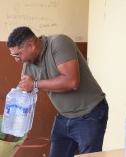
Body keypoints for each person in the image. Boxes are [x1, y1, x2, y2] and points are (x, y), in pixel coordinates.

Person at [6, 26, 109, 157]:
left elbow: (72, 82)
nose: (16, 59)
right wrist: (13, 134)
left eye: (18, 54)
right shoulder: (28, 65)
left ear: (31, 45)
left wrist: (36, 84)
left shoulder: (59, 43)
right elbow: (22, 99)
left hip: (89, 114)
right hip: (64, 116)